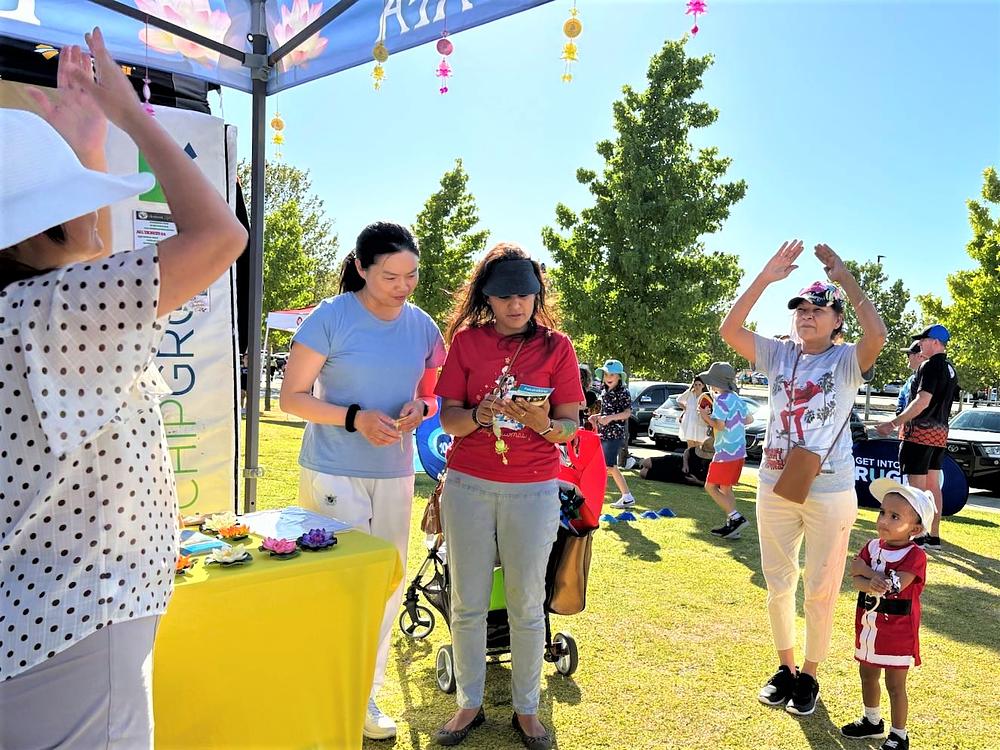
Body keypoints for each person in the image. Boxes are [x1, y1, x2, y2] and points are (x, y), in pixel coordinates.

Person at [0, 29, 247, 749]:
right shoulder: (46, 311)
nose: (91, 208)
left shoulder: (32, 309)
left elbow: (99, 267)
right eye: (75, 194)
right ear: (37, 223)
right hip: (78, 625)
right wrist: (131, 115)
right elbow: (218, 237)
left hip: (51, 618)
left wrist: (91, 148)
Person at [278, 221, 445, 740]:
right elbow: (292, 398)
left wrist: (420, 407)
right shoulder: (330, 318)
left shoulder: (423, 327)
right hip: (332, 470)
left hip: (394, 473)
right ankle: (326, 685)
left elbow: (435, 395)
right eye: (390, 275)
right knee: (339, 583)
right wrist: (355, 418)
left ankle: (363, 692)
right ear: (360, 269)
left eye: (411, 274)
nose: (403, 286)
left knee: (386, 584)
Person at [720, 240, 886, 717]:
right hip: (775, 483)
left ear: (837, 320)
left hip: (830, 489)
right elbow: (729, 329)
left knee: (821, 585)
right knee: (777, 581)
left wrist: (845, 279)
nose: (806, 314)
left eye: (818, 309)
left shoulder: (846, 360)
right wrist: (766, 277)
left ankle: (810, 674)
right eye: (800, 308)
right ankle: (786, 668)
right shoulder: (777, 354)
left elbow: (876, 335)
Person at [433, 243, 582, 749]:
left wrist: (545, 425)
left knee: (525, 602)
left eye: (525, 294)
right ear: (486, 298)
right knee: (468, 601)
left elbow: (570, 426)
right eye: (504, 296)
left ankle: (527, 709)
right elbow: (448, 418)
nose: (516, 305)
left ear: (538, 294)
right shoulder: (467, 343)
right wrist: (478, 414)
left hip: (534, 489)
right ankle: (468, 704)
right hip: (468, 485)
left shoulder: (556, 347)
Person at [841, 478, 933, 750]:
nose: (884, 520)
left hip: (898, 632)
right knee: (867, 674)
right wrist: (867, 578)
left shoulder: (915, 556)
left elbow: (893, 586)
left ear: (914, 528)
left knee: (895, 684)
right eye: (882, 512)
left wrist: (867, 572)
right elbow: (855, 579)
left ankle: (899, 734)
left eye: (895, 516)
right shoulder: (871, 547)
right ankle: (872, 721)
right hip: (869, 625)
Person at [876, 325, 958, 551]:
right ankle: (934, 536)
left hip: (920, 433)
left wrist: (893, 423)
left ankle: (919, 537)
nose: (920, 344)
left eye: (923, 339)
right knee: (933, 487)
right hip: (940, 434)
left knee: (917, 489)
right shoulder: (951, 369)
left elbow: (922, 401)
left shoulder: (929, 366)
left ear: (934, 341)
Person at [697, 362, 754, 539]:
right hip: (739, 450)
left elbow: (719, 426)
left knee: (710, 487)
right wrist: (734, 423)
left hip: (725, 452)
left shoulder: (721, 401)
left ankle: (736, 518)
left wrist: (705, 416)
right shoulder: (736, 398)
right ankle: (732, 527)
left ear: (716, 382)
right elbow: (749, 419)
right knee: (726, 489)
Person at [590, 359, 636, 509]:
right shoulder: (604, 391)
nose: (608, 377)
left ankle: (626, 496)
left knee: (609, 466)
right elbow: (606, 413)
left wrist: (609, 418)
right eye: (606, 374)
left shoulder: (624, 392)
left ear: (619, 377)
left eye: (612, 374)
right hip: (604, 434)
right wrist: (597, 417)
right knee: (607, 466)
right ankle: (625, 496)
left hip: (615, 434)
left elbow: (627, 413)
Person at [638, 440, 714, 485]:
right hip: (676, 462)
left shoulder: (715, 464)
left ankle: (640, 466)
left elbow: (716, 485)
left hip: (678, 476)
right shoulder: (695, 450)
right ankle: (640, 463)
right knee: (646, 462)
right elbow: (687, 451)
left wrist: (697, 482)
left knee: (643, 473)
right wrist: (685, 464)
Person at [677, 376, 712, 448]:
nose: (697, 387)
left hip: (700, 421)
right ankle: (688, 458)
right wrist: (685, 408)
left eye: (699, 385)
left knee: (699, 444)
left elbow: (710, 407)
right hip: (689, 421)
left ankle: (696, 458)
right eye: (695, 384)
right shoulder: (689, 393)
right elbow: (679, 400)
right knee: (690, 444)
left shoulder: (705, 396)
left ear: (703, 385)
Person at [895, 342, 925, 416]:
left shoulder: (929, 379)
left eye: (908, 355)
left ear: (919, 356)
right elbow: (902, 396)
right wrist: (900, 413)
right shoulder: (911, 379)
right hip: (907, 424)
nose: (907, 358)